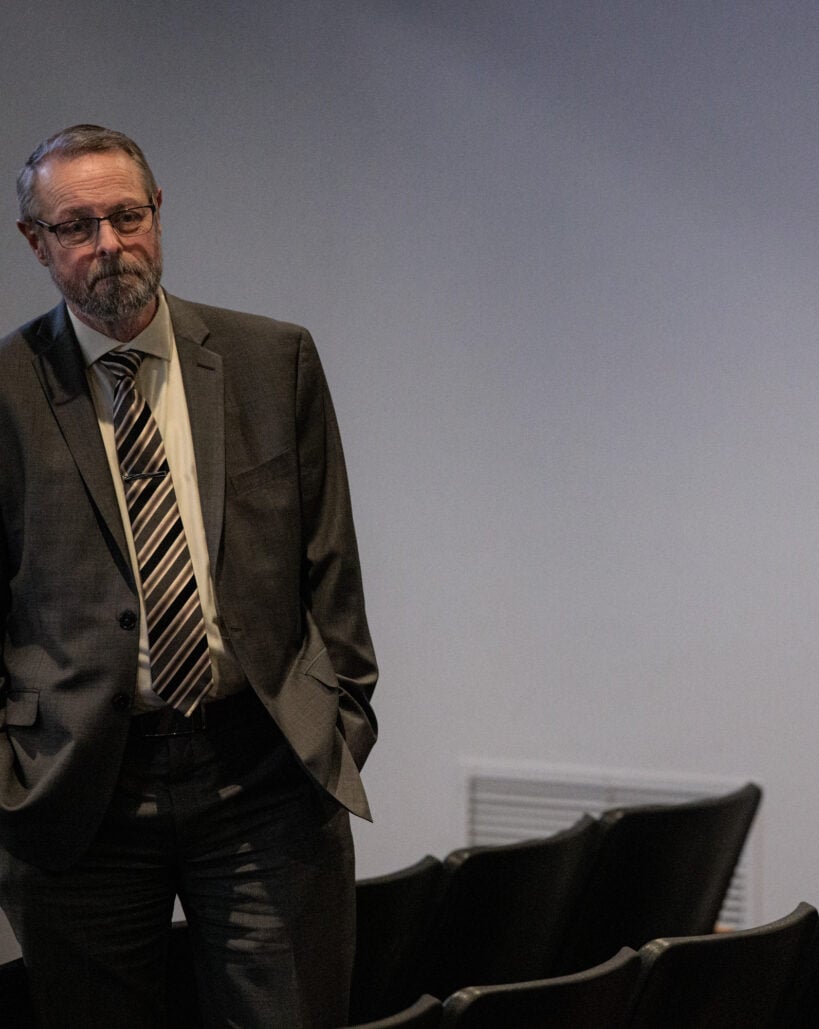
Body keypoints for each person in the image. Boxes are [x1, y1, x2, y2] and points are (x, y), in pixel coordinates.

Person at [0, 124, 378, 1026]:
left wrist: (342, 716)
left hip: (263, 776)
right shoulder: (8, 389)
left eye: (127, 216)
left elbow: (333, 566)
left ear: (158, 212)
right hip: (78, 791)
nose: (109, 246)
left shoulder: (269, 359)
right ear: (36, 242)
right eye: (78, 225)